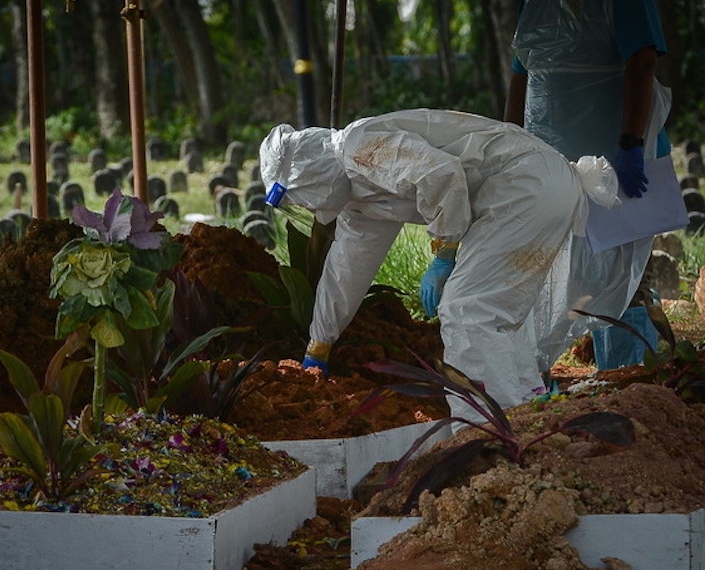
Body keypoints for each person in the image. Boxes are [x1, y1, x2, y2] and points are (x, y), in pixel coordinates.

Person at [259, 108, 617, 423]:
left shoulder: (356, 147)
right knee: (494, 312)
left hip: (525, 183)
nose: (306, 208)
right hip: (532, 187)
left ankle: (495, 425)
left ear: (307, 176)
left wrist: (444, 251)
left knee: (467, 309)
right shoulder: (360, 199)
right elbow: (346, 271)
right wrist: (319, 344)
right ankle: (525, 405)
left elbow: (438, 172)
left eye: (299, 198)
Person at [503, 0, 671, 369]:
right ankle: (545, 369)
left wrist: (629, 144)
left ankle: (632, 381)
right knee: (556, 266)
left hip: (619, 154)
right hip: (551, 153)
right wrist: (508, 145)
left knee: (625, 275)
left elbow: (642, 62)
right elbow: (520, 73)